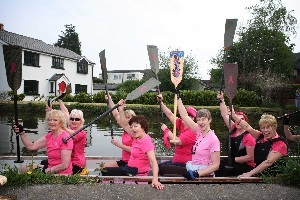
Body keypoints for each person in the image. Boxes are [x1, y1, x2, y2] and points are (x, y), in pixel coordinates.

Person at [102, 99, 164, 190]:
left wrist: (155, 179)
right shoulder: (136, 136)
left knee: (106, 171)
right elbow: (123, 124)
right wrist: (121, 109)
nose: (133, 129)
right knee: (105, 170)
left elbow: (153, 162)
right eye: (131, 127)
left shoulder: (146, 141)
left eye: (135, 126)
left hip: (136, 173)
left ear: (143, 128)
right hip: (129, 169)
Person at [162, 89, 220, 180]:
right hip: (193, 167)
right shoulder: (198, 131)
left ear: (210, 120)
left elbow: (216, 165)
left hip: (203, 173)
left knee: (164, 168)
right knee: (164, 168)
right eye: (199, 120)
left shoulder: (213, 139)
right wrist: (178, 98)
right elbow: (184, 116)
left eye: (203, 119)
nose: (200, 122)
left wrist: (197, 173)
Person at [230, 110, 288, 177]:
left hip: (272, 176)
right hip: (259, 173)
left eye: (268, 127)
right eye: (263, 128)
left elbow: (268, 162)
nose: (265, 130)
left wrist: (249, 173)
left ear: (274, 127)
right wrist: (234, 116)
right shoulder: (260, 136)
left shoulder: (280, 144)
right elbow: (247, 127)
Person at [13, 109, 73, 175]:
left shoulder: (66, 138)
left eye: (55, 120)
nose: (52, 122)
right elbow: (31, 146)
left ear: (61, 122)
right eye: (50, 120)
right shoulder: (49, 136)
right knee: (25, 168)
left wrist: (48, 170)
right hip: (50, 168)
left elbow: (64, 165)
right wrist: (22, 132)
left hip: (61, 173)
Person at [215, 92, 255, 177]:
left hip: (246, 166)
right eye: (236, 119)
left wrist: (233, 160)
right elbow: (225, 115)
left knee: (221, 169)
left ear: (245, 122)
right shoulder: (233, 128)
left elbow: (250, 157)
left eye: (241, 120)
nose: (238, 122)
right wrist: (221, 100)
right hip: (233, 161)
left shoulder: (249, 137)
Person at [157, 93, 196, 175]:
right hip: (177, 161)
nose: (186, 118)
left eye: (190, 116)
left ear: (193, 118)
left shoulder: (192, 131)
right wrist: (161, 102)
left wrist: (166, 130)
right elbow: (170, 114)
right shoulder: (181, 124)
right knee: (159, 166)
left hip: (187, 165)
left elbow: (177, 141)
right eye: (186, 115)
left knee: (162, 168)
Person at [46, 99, 87, 175]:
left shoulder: (82, 133)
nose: (74, 121)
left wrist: (61, 124)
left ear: (81, 121)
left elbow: (72, 134)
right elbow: (65, 112)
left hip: (76, 163)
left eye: (77, 119)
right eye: (72, 119)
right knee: (44, 162)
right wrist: (59, 101)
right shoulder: (68, 129)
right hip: (66, 160)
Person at [101, 94, 135, 170]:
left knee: (106, 170)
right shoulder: (125, 129)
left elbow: (134, 150)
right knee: (103, 167)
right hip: (125, 161)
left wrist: (118, 144)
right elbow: (116, 114)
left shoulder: (135, 132)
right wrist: (110, 99)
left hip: (132, 163)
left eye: (129, 117)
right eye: (125, 117)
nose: (127, 119)